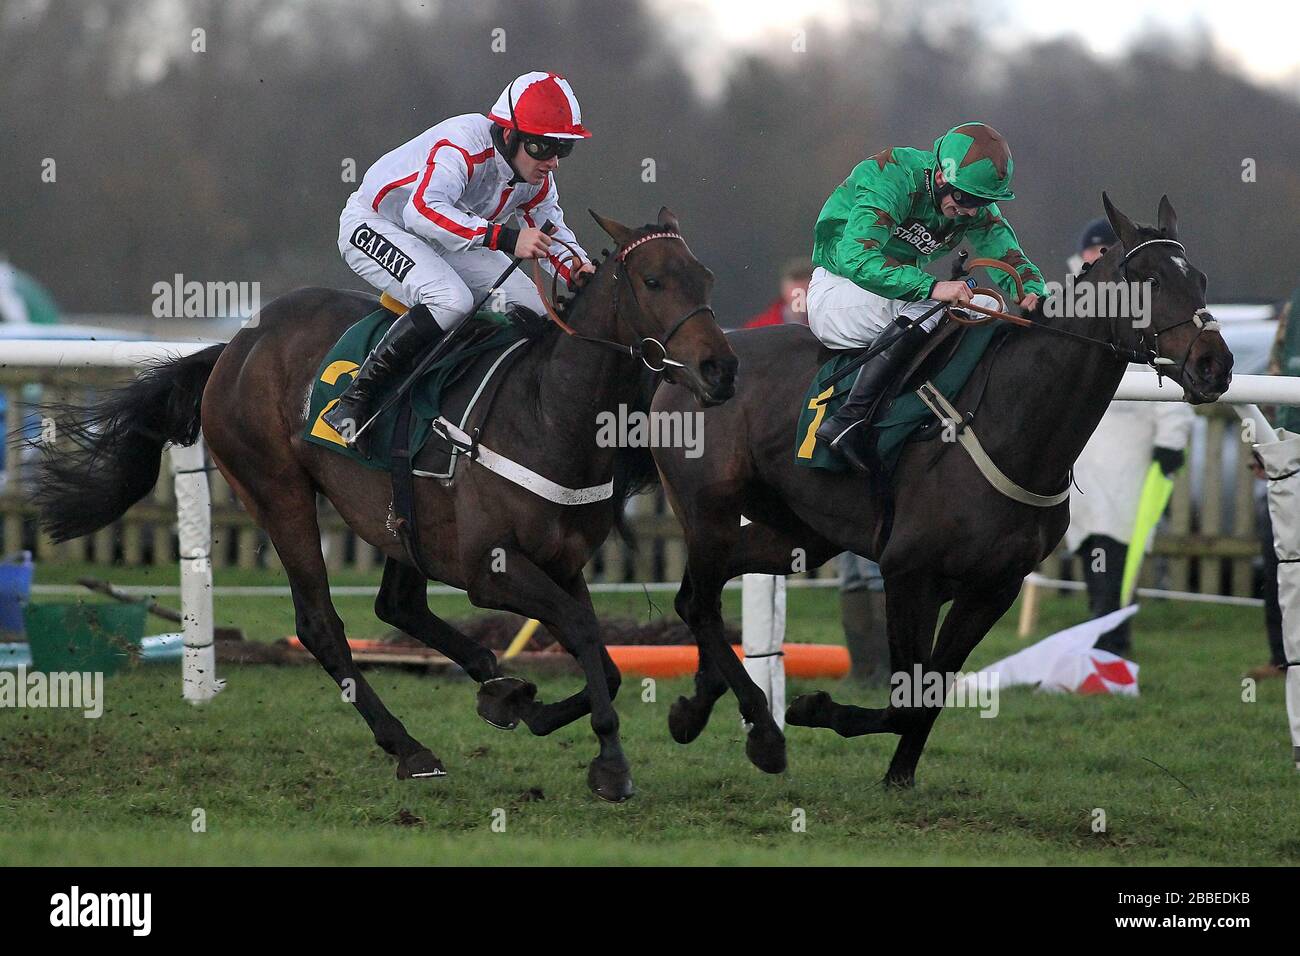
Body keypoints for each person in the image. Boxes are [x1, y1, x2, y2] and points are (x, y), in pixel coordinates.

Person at [324, 71, 596, 451]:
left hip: (448, 236)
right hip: (378, 223)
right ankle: (354, 402)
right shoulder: (462, 143)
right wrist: (505, 237)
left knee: (538, 308)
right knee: (451, 300)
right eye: (543, 147)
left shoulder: (536, 177)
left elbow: (551, 231)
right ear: (508, 135)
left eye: (562, 150)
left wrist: (579, 270)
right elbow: (423, 211)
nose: (552, 161)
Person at [808, 122, 1046, 472]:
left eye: (982, 202)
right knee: (931, 303)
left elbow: (1007, 254)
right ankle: (849, 421)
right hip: (838, 290)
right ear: (940, 176)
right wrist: (932, 287)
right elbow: (856, 258)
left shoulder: (972, 202)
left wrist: (1033, 294)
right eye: (965, 199)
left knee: (985, 306)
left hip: (892, 296)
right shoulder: (892, 177)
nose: (970, 210)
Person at [1064, 217, 1195, 656]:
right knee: (1092, 549)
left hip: (1129, 455)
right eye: (1092, 250)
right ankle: (1101, 643)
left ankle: (1112, 646)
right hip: (1082, 454)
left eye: (1105, 251)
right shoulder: (1071, 304)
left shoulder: (1142, 307)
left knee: (1123, 548)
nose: (1096, 258)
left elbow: (1166, 376)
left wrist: (1171, 438)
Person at [743, 259, 812, 328]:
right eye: (797, 290)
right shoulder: (759, 327)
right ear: (784, 289)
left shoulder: (821, 323)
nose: (801, 295)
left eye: (806, 290)